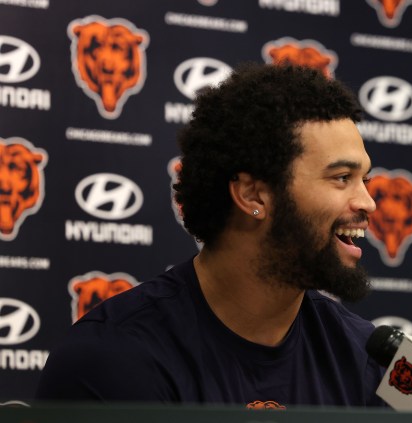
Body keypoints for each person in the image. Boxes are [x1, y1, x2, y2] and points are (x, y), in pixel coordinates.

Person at [36, 63, 384, 407]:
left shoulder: (364, 357)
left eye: (364, 180)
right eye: (342, 178)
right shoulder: (112, 360)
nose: (367, 202)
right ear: (252, 195)